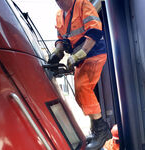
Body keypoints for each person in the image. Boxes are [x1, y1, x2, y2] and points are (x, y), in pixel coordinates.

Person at [48, 0, 111, 149]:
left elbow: (95, 31)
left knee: (83, 88)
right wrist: (58, 52)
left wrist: (82, 52)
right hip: (79, 57)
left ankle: (103, 132)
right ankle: (96, 130)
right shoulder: (59, 15)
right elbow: (61, 39)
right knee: (80, 95)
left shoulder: (83, 5)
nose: (59, 2)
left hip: (94, 53)